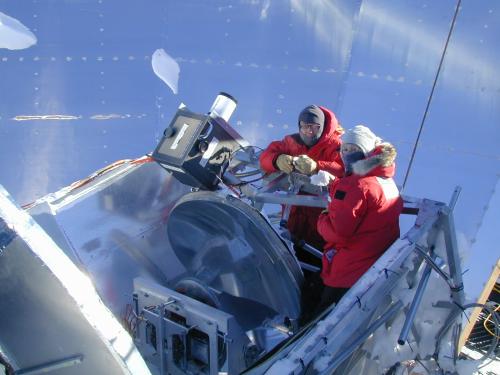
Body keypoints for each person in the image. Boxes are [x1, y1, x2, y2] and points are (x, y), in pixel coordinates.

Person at [310, 125, 403, 315]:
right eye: (345, 149)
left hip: (349, 269)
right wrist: (336, 186)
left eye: (354, 150)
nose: (347, 154)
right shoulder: (384, 179)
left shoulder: (356, 185)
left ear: (366, 151)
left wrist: (322, 218)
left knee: (321, 323)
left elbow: (338, 232)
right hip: (373, 264)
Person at [259, 104, 344, 257]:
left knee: (315, 262)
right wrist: (277, 160)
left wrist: (317, 167)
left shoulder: (335, 146)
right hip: (293, 220)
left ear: (323, 127)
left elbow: (344, 170)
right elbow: (265, 156)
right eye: (304, 127)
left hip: (321, 227)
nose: (309, 132)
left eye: (314, 127)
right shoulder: (291, 142)